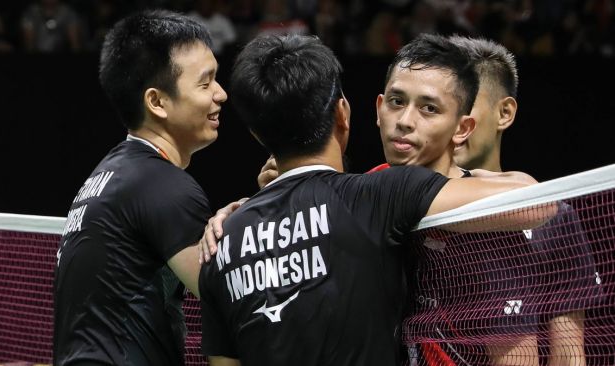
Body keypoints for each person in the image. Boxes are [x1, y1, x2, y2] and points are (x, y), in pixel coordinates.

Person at [198, 33, 545, 366]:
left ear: (462, 127)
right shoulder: (372, 192)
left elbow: (539, 205)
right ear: (375, 109)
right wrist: (253, 209)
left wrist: (478, 180)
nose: (405, 122)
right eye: (396, 102)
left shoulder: (487, 222)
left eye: (428, 108)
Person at [53, 10, 227, 365]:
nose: (221, 94)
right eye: (205, 83)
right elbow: (231, 297)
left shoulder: (108, 176)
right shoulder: (162, 186)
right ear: (157, 101)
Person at [450, 35, 601, 366]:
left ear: (504, 113)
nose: (453, 123)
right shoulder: (408, 203)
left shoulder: (554, 217)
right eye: (442, 106)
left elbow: (569, 356)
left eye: (465, 105)